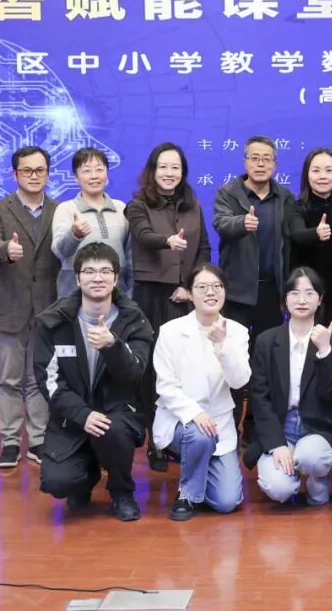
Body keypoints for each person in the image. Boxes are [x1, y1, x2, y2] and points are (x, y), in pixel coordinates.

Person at [33, 242, 153, 522]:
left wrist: (113, 346)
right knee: (57, 482)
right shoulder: (54, 322)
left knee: (112, 429)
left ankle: (121, 491)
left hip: (118, 413)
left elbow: (135, 372)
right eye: (89, 271)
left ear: (116, 277)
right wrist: (82, 414)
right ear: (77, 278)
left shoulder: (133, 320)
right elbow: (48, 381)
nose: (97, 278)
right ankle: (85, 478)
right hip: (72, 417)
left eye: (105, 271)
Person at [125, 142, 211, 472]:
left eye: (175, 167)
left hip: (183, 298)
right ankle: (155, 441)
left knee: (181, 369)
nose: (169, 173)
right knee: (151, 371)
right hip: (149, 297)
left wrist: (191, 287)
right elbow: (143, 235)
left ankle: (178, 436)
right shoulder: (137, 205)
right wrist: (168, 241)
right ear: (152, 170)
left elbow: (203, 249)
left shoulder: (193, 206)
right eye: (163, 167)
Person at [0, 145, 59, 469]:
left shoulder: (61, 210)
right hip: (9, 307)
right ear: (15, 174)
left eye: (40, 170)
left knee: (39, 377)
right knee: (9, 379)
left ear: (48, 174)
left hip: (48, 307)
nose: (33, 176)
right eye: (27, 170)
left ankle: (38, 440)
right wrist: (5, 249)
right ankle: (10, 442)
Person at [152, 263, 251, 520]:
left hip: (219, 423)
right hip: (179, 420)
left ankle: (200, 467)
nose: (211, 292)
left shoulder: (237, 332)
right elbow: (165, 386)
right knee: (199, 435)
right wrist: (194, 413)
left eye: (217, 286)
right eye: (202, 287)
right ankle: (187, 494)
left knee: (227, 502)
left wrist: (223, 346)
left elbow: (239, 381)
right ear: (189, 293)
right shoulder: (170, 331)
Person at [213, 135, 294, 438]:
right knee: (233, 361)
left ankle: (256, 428)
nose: (260, 164)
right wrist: (241, 223)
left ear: (275, 164)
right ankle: (229, 427)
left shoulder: (284, 197)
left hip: (271, 292)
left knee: (265, 363)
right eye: (255, 158)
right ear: (245, 161)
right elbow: (221, 223)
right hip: (236, 292)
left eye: (266, 159)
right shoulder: (228, 192)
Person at [246, 267, 332, 506]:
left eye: (309, 293)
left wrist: (324, 351)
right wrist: (276, 444)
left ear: (320, 299)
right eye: (294, 293)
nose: (301, 300)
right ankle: (290, 470)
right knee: (279, 489)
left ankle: (316, 477)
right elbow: (259, 398)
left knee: (310, 457)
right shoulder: (266, 341)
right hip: (280, 425)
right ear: (285, 299)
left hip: (317, 427)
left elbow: (331, 393)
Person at [287, 148, 332, 332]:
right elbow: (297, 234)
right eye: (316, 170)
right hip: (307, 297)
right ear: (307, 175)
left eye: (329, 170)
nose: (322, 176)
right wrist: (316, 233)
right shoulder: (296, 208)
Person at [51, 147, 133, 297]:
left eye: (99, 170)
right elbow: (60, 252)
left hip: (117, 292)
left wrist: (132, 291)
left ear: (107, 173)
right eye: (87, 171)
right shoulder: (66, 209)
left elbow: (130, 254)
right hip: (75, 294)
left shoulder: (121, 208)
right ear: (76, 177)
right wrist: (74, 234)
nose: (94, 176)